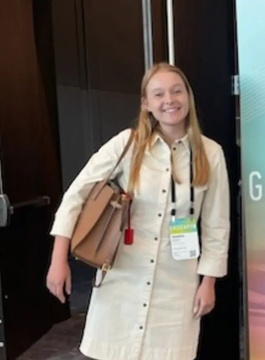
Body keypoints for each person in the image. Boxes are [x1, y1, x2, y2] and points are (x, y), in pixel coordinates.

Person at [46, 62, 230, 360]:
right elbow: (75, 196)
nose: (169, 100)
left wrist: (208, 283)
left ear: (188, 96)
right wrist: (58, 260)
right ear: (146, 104)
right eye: (158, 94)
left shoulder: (210, 154)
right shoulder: (127, 144)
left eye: (176, 91)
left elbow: (216, 225)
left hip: (177, 285)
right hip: (121, 279)